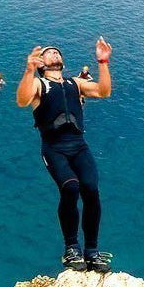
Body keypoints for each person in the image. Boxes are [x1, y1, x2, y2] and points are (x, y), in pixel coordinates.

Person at [16, 39, 113, 272]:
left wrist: (103, 61)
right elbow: (22, 100)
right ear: (41, 64)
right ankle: (71, 248)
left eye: (56, 52)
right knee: (70, 187)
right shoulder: (39, 85)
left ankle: (92, 251)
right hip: (54, 148)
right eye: (48, 53)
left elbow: (103, 91)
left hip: (79, 146)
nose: (53, 54)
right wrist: (28, 70)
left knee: (90, 189)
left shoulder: (75, 83)